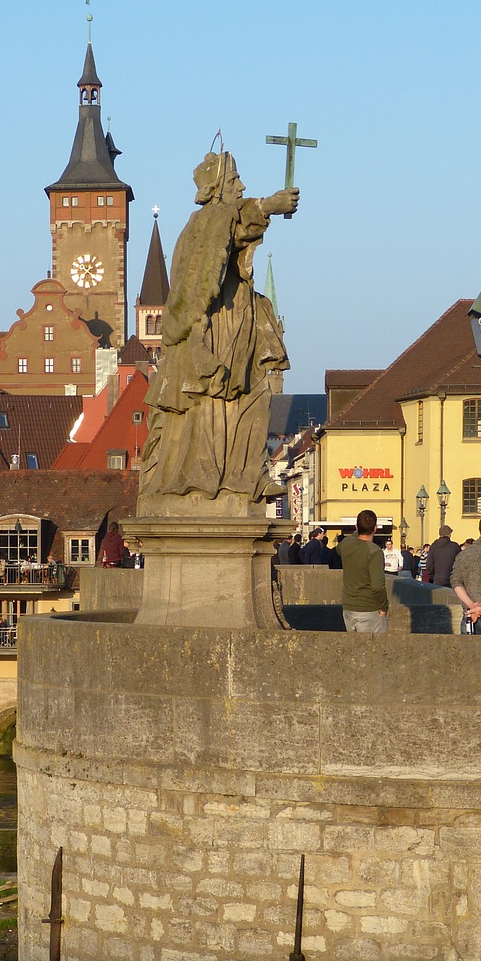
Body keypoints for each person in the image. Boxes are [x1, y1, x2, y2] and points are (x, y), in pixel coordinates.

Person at [139, 148, 298, 508]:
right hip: (216, 328)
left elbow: (237, 232)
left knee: (254, 397)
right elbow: (232, 228)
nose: (241, 186)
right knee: (216, 403)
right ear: (217, 188)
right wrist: (269, 204)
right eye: (234, 180)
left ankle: (246, 474)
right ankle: (211, 477)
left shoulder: (214, 223)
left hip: (234, 324)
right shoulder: (207, 221)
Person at [337, 509, 388, 633]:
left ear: (356, 527)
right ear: (375, 528)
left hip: (349, 606)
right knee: (373, 650)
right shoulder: (374, 551)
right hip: (368, 608)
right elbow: (377, 586)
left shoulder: (346, 544)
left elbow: (338, 550)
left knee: (355, 650)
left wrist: (358, 530)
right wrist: (383, 606)